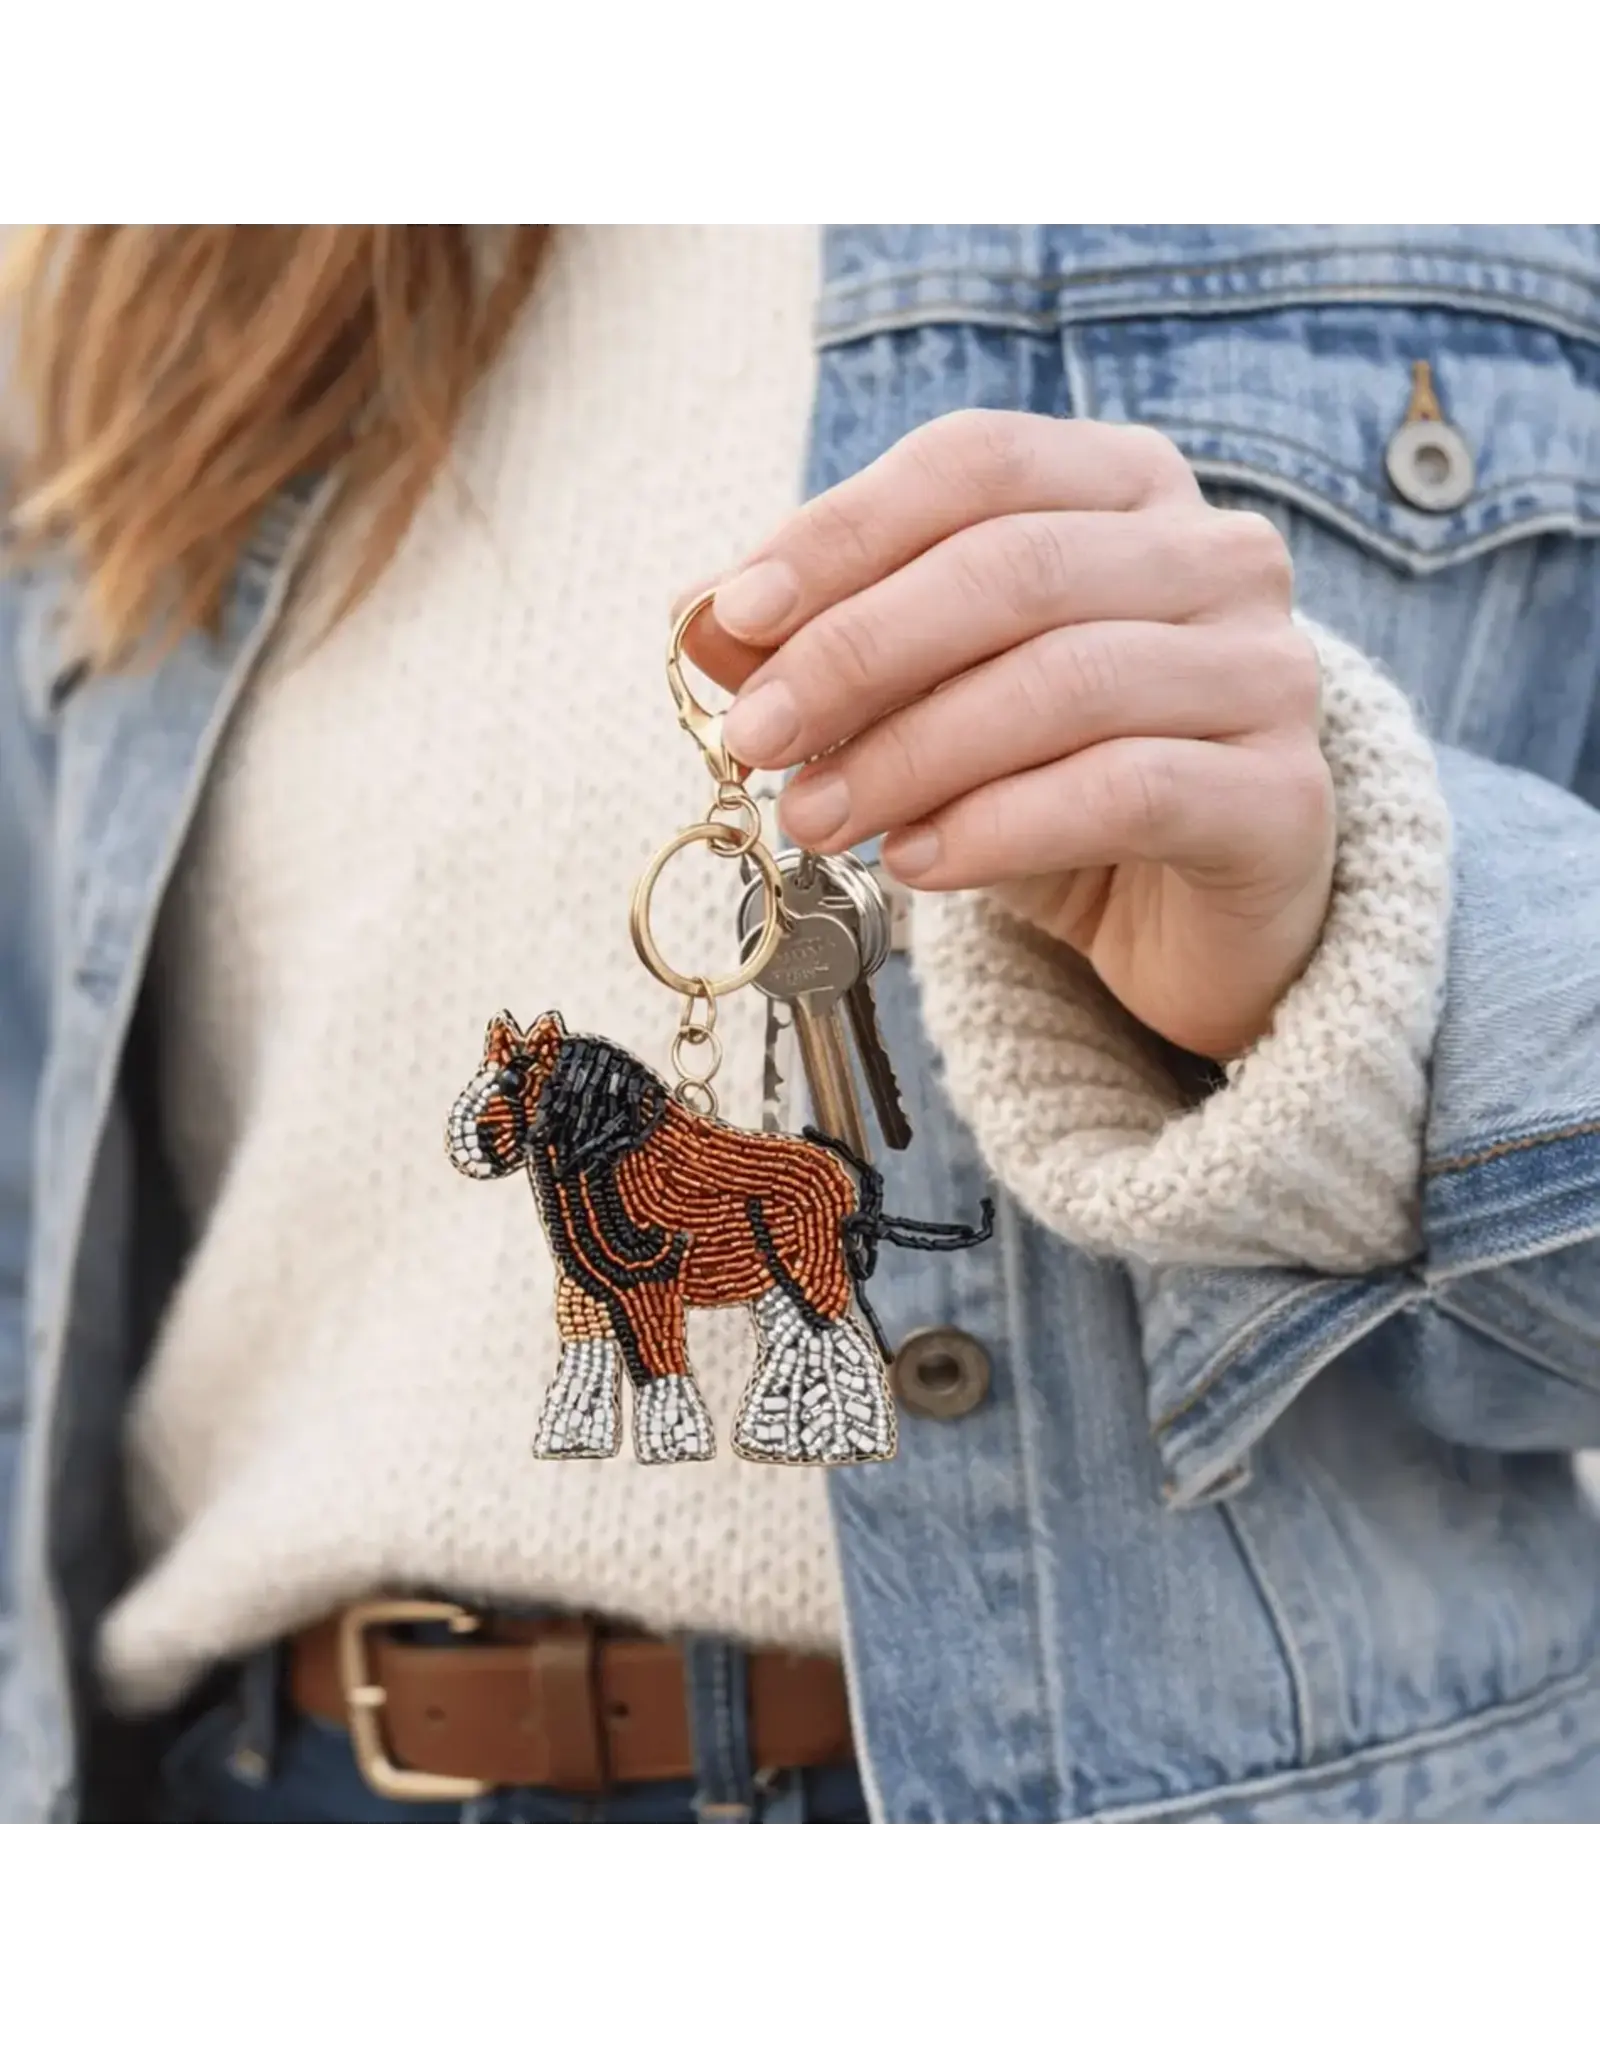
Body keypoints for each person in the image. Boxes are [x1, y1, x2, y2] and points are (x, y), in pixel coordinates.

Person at [3, 223, 1599, 1827]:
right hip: (287, 1772)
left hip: (1201, 1780)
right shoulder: (150, 286)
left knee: (783, 1300)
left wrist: (1345, 956)